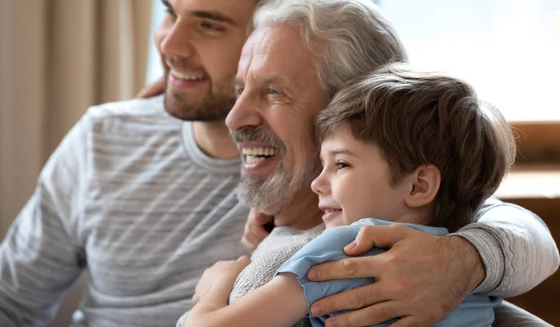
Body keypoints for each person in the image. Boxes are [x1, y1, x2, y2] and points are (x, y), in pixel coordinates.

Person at [0, 0, 335, 326]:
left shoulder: (338, 168)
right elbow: (1, 305)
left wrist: (420, 252)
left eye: (209, 25)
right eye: (170, 13)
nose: (170, 45)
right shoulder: (103, 140)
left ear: (285, 37)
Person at [206, 0, 558, 327]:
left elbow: (530, 239)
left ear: (346, 106)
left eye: (273, 91)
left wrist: (215, 288)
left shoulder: (360, 246)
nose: (233, 118)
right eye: (239, 89)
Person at [183, 64, 517, 327]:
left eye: (341, 164)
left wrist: (219, 285)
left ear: (418, 186)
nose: (318, 183)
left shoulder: (348, 247)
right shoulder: (474, 276)